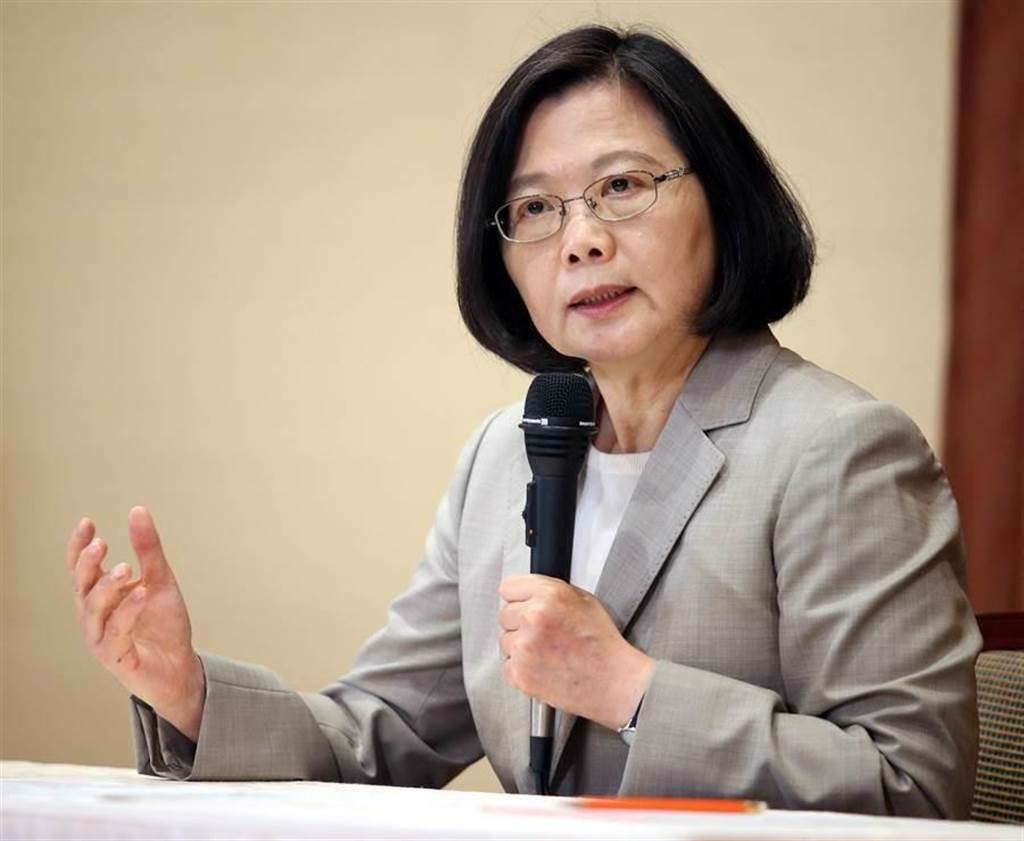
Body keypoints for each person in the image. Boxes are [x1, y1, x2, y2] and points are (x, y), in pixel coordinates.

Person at [64, 25, 980, 816]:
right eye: (537, 208)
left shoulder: (837, 449)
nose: (582, 239)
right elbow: (374, 737)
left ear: (724, 201)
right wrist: (190, 692)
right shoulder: (504, 456)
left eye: (623, 186)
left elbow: (914, 786)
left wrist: (629, 689)